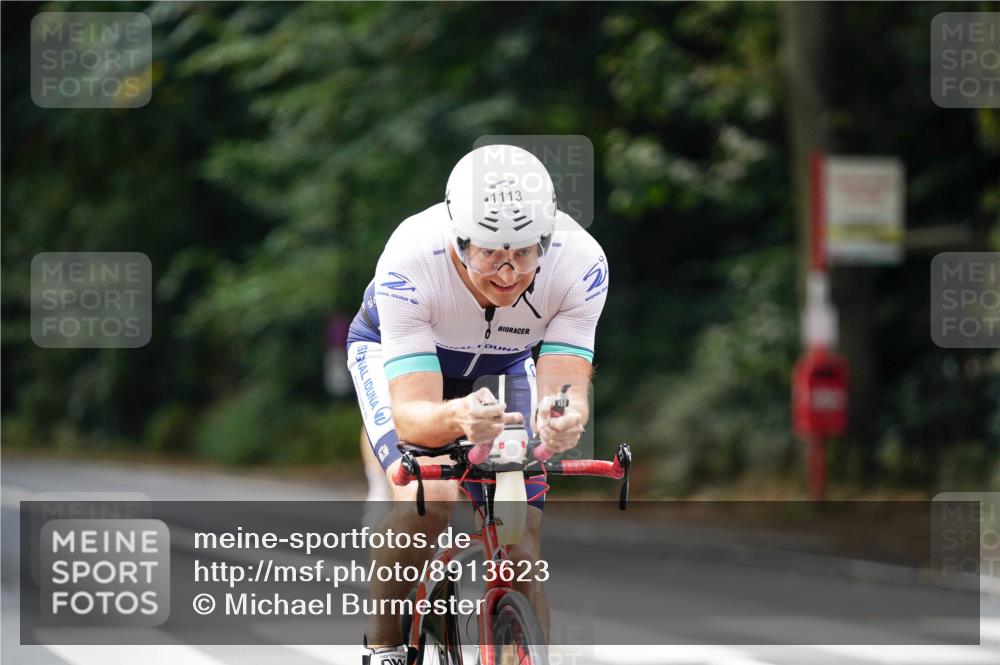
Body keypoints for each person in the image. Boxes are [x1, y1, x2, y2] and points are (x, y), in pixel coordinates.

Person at [345, 144, 609, 664]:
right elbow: (413, 413)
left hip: (504, 363)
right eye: (490, 253)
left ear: (547, 240)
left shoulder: (580, 263)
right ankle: (383, 644)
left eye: (525, 253)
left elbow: (563, 383)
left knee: (521, 547)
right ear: (457, 239)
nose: (508, 273)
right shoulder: (411, 258)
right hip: (404, 358)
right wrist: (457, 417)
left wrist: (563, 417)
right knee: (432, 498)